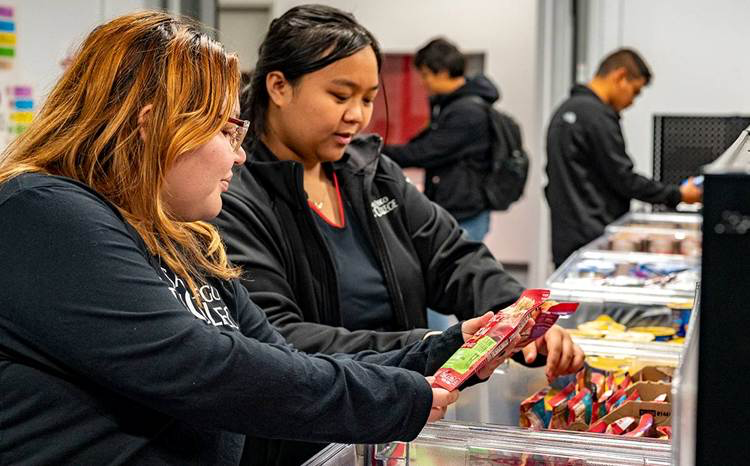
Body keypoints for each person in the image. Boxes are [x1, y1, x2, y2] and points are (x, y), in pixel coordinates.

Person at [0, 11, 524, 465]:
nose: (239, 155)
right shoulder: (43, 213)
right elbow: (210, 370)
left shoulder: (180, 237)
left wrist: (447, 351)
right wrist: (397, 397)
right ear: (150, 126)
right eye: (225, 132)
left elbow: (278, 356)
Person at [214, 5, 584, 463]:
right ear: (278, 86)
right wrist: (429, 348)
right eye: (340, 95)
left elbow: (452, 256)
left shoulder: (370, 172)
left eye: (368, 98)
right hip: (306, 442)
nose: (357, 116)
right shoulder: (232, 194)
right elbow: (280, 338)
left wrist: (517, 316)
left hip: (394, 423)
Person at [545, 48, 702, 267]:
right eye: (635, 91)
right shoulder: (596, 116)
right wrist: (677, 195)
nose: (632, 102)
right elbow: (623, 178)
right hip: (594, 240)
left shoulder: (564, 111)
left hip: (566, 237)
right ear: (620, 77)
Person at [382, 37, 497, 242]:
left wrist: (378, 151)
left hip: (464, 211)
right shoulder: (451, 105)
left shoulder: (467, 112)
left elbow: (428, 151)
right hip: (454, 206)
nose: (423, 82)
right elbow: (424, 142)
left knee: (458, 271)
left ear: (443, 72)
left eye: (426, 75)